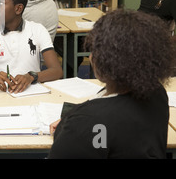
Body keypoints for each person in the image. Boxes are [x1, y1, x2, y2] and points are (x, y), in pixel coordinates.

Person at [48, 9, 175, 159]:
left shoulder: (88, 122)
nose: (90, 56)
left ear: (106, 61)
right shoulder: (157, 93)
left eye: (94, 50)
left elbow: (85, 136)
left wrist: (70, 126)